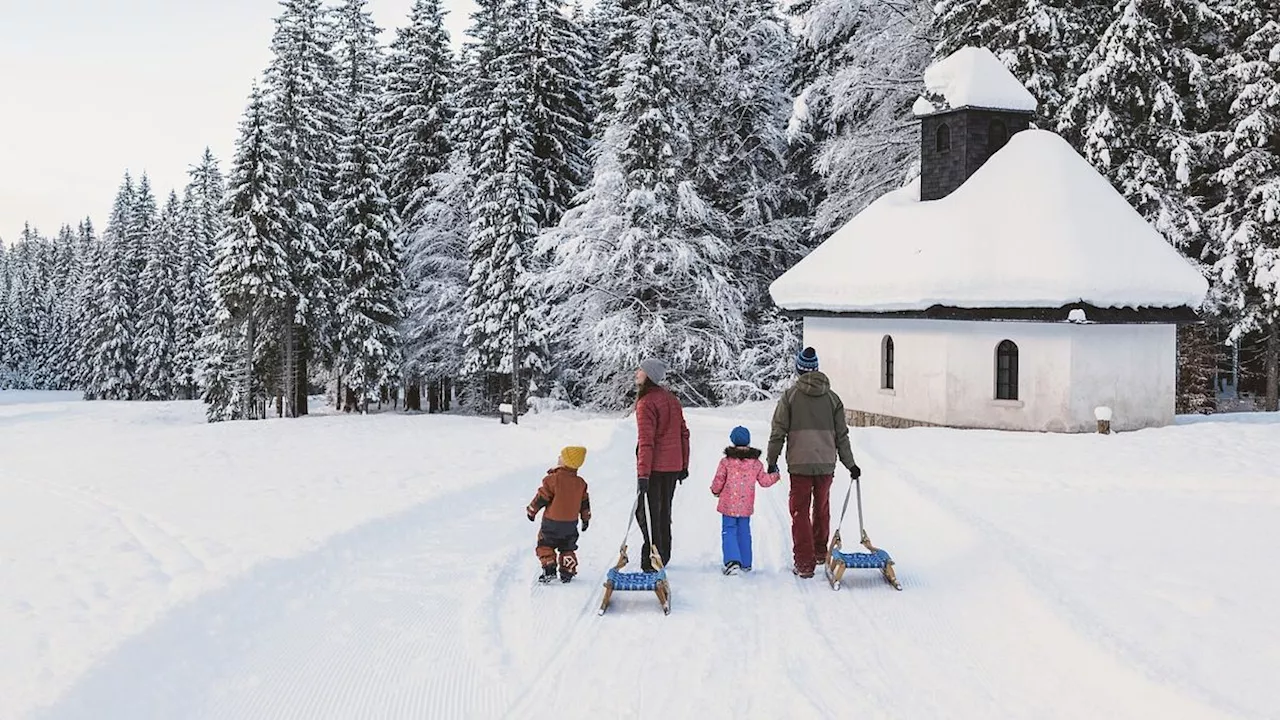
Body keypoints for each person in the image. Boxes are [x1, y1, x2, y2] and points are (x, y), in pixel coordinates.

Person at [766, 347, 861, 578]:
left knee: (799, 511)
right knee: (821, 507)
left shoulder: (789, 397)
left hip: (799, 464)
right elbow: (842, 436)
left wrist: (772, 460)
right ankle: (820, 552)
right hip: (826, 463)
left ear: (799, 369)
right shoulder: (833, 399)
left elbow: (778, 431)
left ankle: (804, 564)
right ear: (816, 369)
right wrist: (850, 464)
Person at [634, 358, 690, 572]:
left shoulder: (646, 403)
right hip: (673, 467)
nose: (637, 372)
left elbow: (646, 442)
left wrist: (643, 475)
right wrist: (684, 464)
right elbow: (684, 433)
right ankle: (663, 555)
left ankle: (651, 560)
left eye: (641, 369)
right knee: (663, 511)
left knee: (647, 513)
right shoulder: (671, 399)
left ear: (649, 375)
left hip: (655, 468)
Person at [710, 425, 780, 575]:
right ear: (748, 442)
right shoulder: (755, 464)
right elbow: (764, 481)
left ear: (733, 441)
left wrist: (715, 490)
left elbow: (719, 480)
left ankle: (732, 561)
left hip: (728, 505)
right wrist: (775, 474)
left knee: (729, 530)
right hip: (745, 506)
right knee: (744, 532)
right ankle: (746, 562)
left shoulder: (726, 462)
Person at [527, 446, 592, 583]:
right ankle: (567, 570)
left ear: (566, 461)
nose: (558, 457)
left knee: (545, 544)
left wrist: (532, 510)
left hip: (551, 522)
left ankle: (549, 567)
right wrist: (585, 519)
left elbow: (541, 498)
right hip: (570, 524)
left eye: (561, 456)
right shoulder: (580, 483)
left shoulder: (552, 479)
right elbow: (584, 503)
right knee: (567, 546)